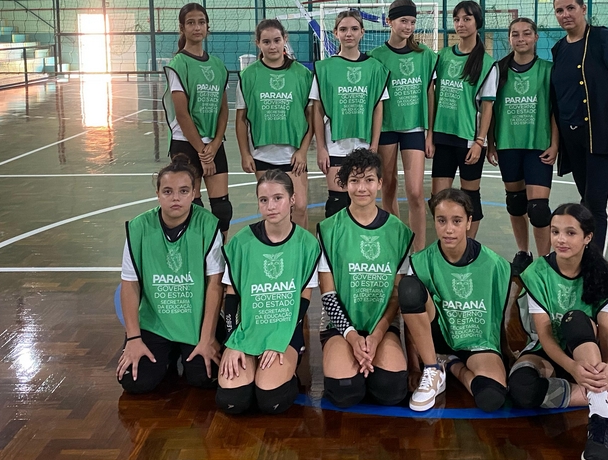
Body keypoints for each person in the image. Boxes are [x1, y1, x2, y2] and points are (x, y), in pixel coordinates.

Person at [508, 203, 608, 460]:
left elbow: (607, 333)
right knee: (520, 389)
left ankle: (601, 425)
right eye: (555, 231)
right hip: (548, 350)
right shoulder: (537, 272)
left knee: (575, 320)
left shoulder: (601, 274)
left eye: (570, 233)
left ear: (587, 237)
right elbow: (545, 336)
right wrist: (572, 368)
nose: (560, 239)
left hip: (585, 347)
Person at [216, 169, 320, 415]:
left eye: (277, 198)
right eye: (264, 200)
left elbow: (304, 300)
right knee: (233, 401)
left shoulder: (307, 244)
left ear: (292, 199)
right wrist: (233, 343)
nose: (271, 206)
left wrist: (279, 340)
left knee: (271, 400)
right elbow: (231, 297)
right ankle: (252, 364)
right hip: (247, 331)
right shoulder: (241, 242)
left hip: (285, 330)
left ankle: (287, 371)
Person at [116, 157, 224, 394]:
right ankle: (169, 352)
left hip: (195, 322)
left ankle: (182, 350)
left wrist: (207, 338)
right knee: (135, 381)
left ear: (194, 193)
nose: (176, 198)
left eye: (183, 191)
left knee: (206, 377)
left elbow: (215, 285)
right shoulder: (139, 228)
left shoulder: (208, 225)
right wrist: (133, 339)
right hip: (156, 323)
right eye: (168, 191)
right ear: (157, 194)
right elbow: (129, 285)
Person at [399, 188, 512, 413]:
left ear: (469, 222)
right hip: (436, 341)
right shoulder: (421, 262)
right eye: (441, 220)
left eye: (457, 221)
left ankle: (451, 365)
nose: (449, 229)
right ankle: (433, 367)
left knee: (491, 397)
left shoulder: (496, 265)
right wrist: (414, 366)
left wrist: (506, 353)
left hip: (478, 340)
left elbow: (497, 315)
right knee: (409, 288)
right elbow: (412, 319)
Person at [317, 148, 413, 409]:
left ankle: (370, 363)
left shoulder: (399, 232)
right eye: (354, 180)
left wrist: (377, 336)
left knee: (391, 390)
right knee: (345, 392)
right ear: (345, 184)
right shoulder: (328, 229)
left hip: (380, 325)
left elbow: (396, 296)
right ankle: (349, 362)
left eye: (369, 180)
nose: (362, 188)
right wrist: (352, 337)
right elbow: (328, 295)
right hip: (340, 327)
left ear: (380, 183)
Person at [550, 0, 608, 255]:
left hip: (604, 137)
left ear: (583, 9)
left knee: (597, 206)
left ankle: (597, 267)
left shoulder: (603, 39)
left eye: (570, 8)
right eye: (559, 10)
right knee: (586, 203)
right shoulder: (559, 48)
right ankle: (583, 260)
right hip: (574, 141)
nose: (565, 14)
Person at [487, 18, 558, 264]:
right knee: (516, 203)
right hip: (508, 144)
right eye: (515, 34)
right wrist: (490, 143)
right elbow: (490, 108)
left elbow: (555, 111)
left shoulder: (548, 69)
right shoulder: (498, 70)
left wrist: (555, 144)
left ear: (536, 37)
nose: (521, 39)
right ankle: (523, 253)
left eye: (526, 33)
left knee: (538, 209)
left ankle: (545, 260)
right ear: (509, 39)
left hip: (538, 145)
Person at [369, 0, 436, 252]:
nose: (408, 26)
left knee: (416, 192)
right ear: (389, 22)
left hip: (414, 128)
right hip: (387, 128)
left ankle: (418, 251)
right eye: (403, 21)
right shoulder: (376, 57)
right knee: (388, 186)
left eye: (412, 22)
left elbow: (430, 93)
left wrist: (429, 133)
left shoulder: (425, 55)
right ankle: (397, 244)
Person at [311, 10, 389, 218]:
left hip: (364, 145)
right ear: (335, 33)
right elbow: (317, 110)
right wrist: (321, 148)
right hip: (335, 146)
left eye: (354, 29)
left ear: (362, 32)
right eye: (343, 29)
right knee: (337, 204)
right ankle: (332, 240)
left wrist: (374, 145)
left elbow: (378, 108)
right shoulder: (324, 68)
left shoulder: (374, 68)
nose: (349, 34)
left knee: (362, 203)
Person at [163, 3, 233, 234]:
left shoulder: (218, 66)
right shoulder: (178, 64)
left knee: (222, 210)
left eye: (201, 22)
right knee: (191, 208)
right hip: (186, 143)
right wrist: (203, 153)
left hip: (213, 144)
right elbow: (182, 114)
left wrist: (215, 144)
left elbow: (224, 109)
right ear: (182, 28)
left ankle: (219, 252)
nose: (196, 27)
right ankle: (194, 250)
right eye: (191, 23)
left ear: (207, 27)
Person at [236, 19, 314, 227]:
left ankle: (302, 248)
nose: (272, 46)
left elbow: (311, 117)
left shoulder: (302, 74)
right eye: (266, 42)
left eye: (277, 40)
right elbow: (241, 119)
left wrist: (303, 151)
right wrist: (245, 153)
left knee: (299, 207)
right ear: (258, 43)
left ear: (284, 40)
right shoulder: (248, 76)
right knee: (272, 211)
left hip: (293, 155)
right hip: (262, 154)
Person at [429, 1, 497, 239]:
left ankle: (469, 245)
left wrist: (480, 142)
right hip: (443, 136)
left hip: (469, 139)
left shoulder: (487, 64)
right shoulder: (443, 56)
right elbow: (431, 95)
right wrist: (430, 134)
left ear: (478, 23)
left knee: (470, 197)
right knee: (438, 199)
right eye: (457, 19)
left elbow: (487, 107)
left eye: (467, 19)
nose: (461, 24)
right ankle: (445, 242)